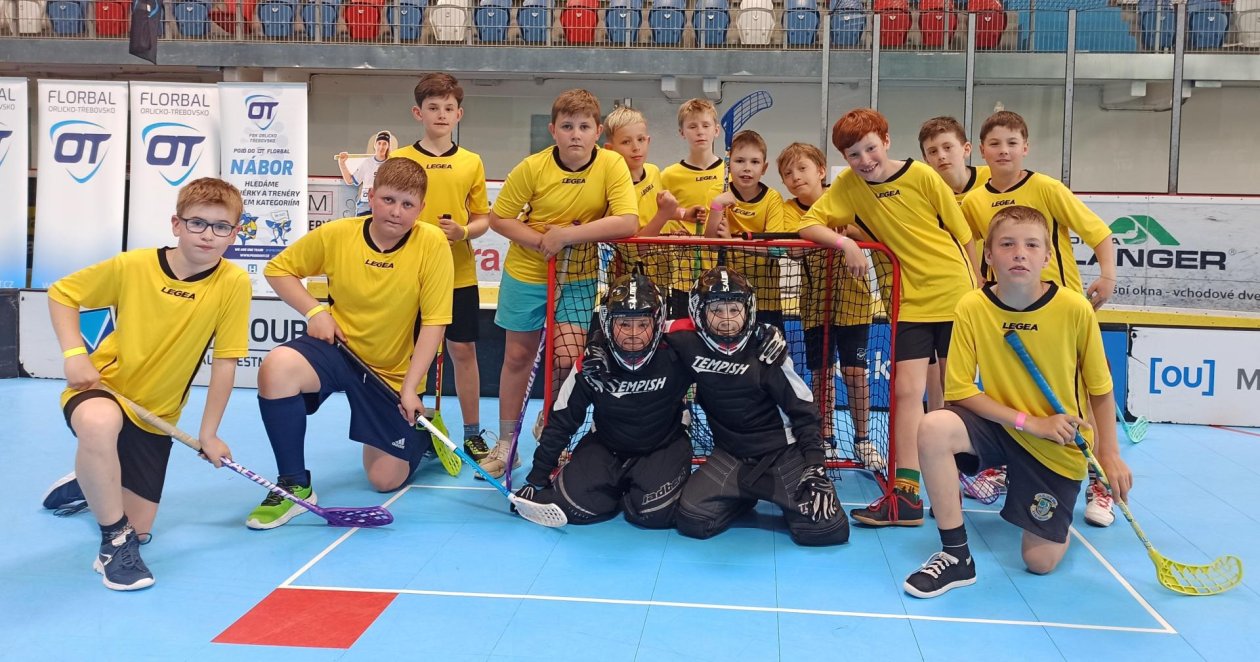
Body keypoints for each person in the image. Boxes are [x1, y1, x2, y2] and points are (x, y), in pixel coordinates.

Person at [904, 205, 1133, 598]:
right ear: (989, 255)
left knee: (1038, 562)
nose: (1019, 254)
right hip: (1004, 427)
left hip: (1056, 444)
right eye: (1007, 244)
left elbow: (1100, 388)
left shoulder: (1074, 308)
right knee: (934, 426)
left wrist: (1109, 454)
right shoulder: (973, 306)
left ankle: (1055, 514)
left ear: (1047, 257)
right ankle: (956, 555)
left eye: (1031, 245)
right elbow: (959, 390)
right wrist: (1029, 422)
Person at [46, 178, 252, 590]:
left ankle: (89, 480)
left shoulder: (233, 283)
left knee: (139, 528)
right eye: (197, 223)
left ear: (235, 233)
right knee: (100, 425)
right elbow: (62, 293)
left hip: (156, 415)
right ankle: (113, 545)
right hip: (104, 390)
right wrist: (74, 355)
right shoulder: (133, 266)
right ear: (176, 224)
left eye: (221, 227)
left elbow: (225, 362)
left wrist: (209, 433)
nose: (208, 235)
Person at [245, 158, 453, 529]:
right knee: (277, 367)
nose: (396, 211)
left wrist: (409, 389)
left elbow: (434, 323)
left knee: (383, 480)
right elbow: (278, 270)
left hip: (388, 372)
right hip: (338, 351)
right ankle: (294, 485)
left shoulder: (432, 243)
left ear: (421, 209)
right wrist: (314, 311)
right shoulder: (338, 234)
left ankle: (423, 436)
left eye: (407, 204)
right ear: (371, 197)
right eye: (388, 200)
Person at [797, 108, 979, 527]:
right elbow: (809, 224)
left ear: (886, 141)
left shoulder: (923, 176)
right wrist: (846, 243)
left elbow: (963, 235)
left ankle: (953, 485)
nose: (864, 160)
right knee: (905, 393)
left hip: (955, 294)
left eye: (870, 148)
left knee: (954, 397)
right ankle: (906, 495)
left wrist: (978, 295)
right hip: (907, 301)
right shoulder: (849, 186)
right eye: (853, 154)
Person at [960, 110, 1119, 525]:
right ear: (982, 151)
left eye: (1012, 143)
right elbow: (970, 244)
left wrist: (1107, 274)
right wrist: (979, 280)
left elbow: (1098, 232)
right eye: (995, 143)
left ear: (1025, 148)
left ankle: (1100, 481)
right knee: (1013, 395)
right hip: (1009, 315)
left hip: (1060, 318)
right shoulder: (974, 201)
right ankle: (1010, 463)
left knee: (1082, 397)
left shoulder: (1046, 188)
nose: (1004, 150)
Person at [483, 88, 639, 479]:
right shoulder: (531, 168)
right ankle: (507, 443)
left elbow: (628, 221)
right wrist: (541, 242)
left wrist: (567, 236)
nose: (575, 135)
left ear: (597, 132)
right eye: (567, 126)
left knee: (568, 358)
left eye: (584, 127)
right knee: (517, 357)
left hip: (579, 275)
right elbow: (499, 219)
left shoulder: (611, 165)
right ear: (553, 130)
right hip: (527, 273)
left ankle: (549, 421)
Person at [669, 266, 850, 546]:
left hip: (782, 454)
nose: (727, 319)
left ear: (748, 309)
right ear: (699, 311)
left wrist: (815, 465)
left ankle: (771, 492)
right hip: (732, 454)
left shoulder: (767, 350)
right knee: (692, 519)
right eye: (716, 310)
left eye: (735, 309)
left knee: (827, 529)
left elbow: (804, 412)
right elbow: (648, 325)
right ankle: (743, 496)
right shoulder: (687, 341)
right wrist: (599, 342)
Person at [514, 274, 693, 527]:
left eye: (642, 324)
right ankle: (613, 486)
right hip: (607, 445)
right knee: (573, 509)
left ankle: (635, 487)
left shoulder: (679, 348)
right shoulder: (591, 365)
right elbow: (563, 421)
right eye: (624, 324)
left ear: (657, 321)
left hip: (663, 445)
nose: (633, 334)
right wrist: (536, 479)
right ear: (609, 322)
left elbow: (709, 326)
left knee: (653, 514)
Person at [391, 73, 494, 462]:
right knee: (409, 354)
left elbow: (482, 219)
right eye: (433, 107)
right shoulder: (401, 159)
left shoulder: (471, 162)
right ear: (418, 113)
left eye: (449, 108)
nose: (441, 114)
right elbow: (388, 215)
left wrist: (463, 231)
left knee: (462, 350)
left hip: (458, 274)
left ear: (459, 114)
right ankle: (410, 424)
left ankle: (472, 433)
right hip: (410, 275)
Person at [917, 116, 1006, 497]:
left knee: (995, 382)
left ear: (967, 149)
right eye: (932, 151)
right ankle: (950, 458)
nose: (941, 156)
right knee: (940, 380)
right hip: (946, 300)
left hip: (998, 301)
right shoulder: (926, 188)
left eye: (948, 148)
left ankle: (1001, 460)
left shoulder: (992, 183)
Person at [777, 142, 877, 470]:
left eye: (802, 168)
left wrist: (848, 233)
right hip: (814, 304)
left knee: (855, 372)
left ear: (821, 171)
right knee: (821, 374)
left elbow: (870, 232)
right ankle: (826, 437)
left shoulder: (844, 196)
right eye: (788, 173)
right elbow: (793, 249)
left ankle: (863, 440)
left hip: (854, 300)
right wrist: (823, 236)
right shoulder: (789, 209)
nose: (795, 177)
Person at [706, 130, 788, 331]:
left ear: (764, 168)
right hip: (728, 296)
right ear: (729, 164)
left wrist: (732, 242)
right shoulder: (718, 194)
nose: (747, 168)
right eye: (740, 161)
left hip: (766, 297)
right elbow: (711, 244)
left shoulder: (772, 199)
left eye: (755, 162)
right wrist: (716, 206)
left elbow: (776, 249)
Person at [659, 98, 724, 318]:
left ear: (716, 130)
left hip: (722, 272)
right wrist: (672, 231)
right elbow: (662, 215)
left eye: (706, 125)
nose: (700, 132)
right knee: (683, 333)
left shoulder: (729, 172)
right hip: (684, 276)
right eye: (692, 126)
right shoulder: (669, 175)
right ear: (682, 133)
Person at [337, 130, 397, 216]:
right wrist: (342, 164)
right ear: (375, 145)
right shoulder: (367, 163)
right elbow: (349, 180)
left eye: (384, 144)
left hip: (383, 208)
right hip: (364, 207)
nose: (381, 147)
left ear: (388, 146)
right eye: (379, 143)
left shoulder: (391, 165)